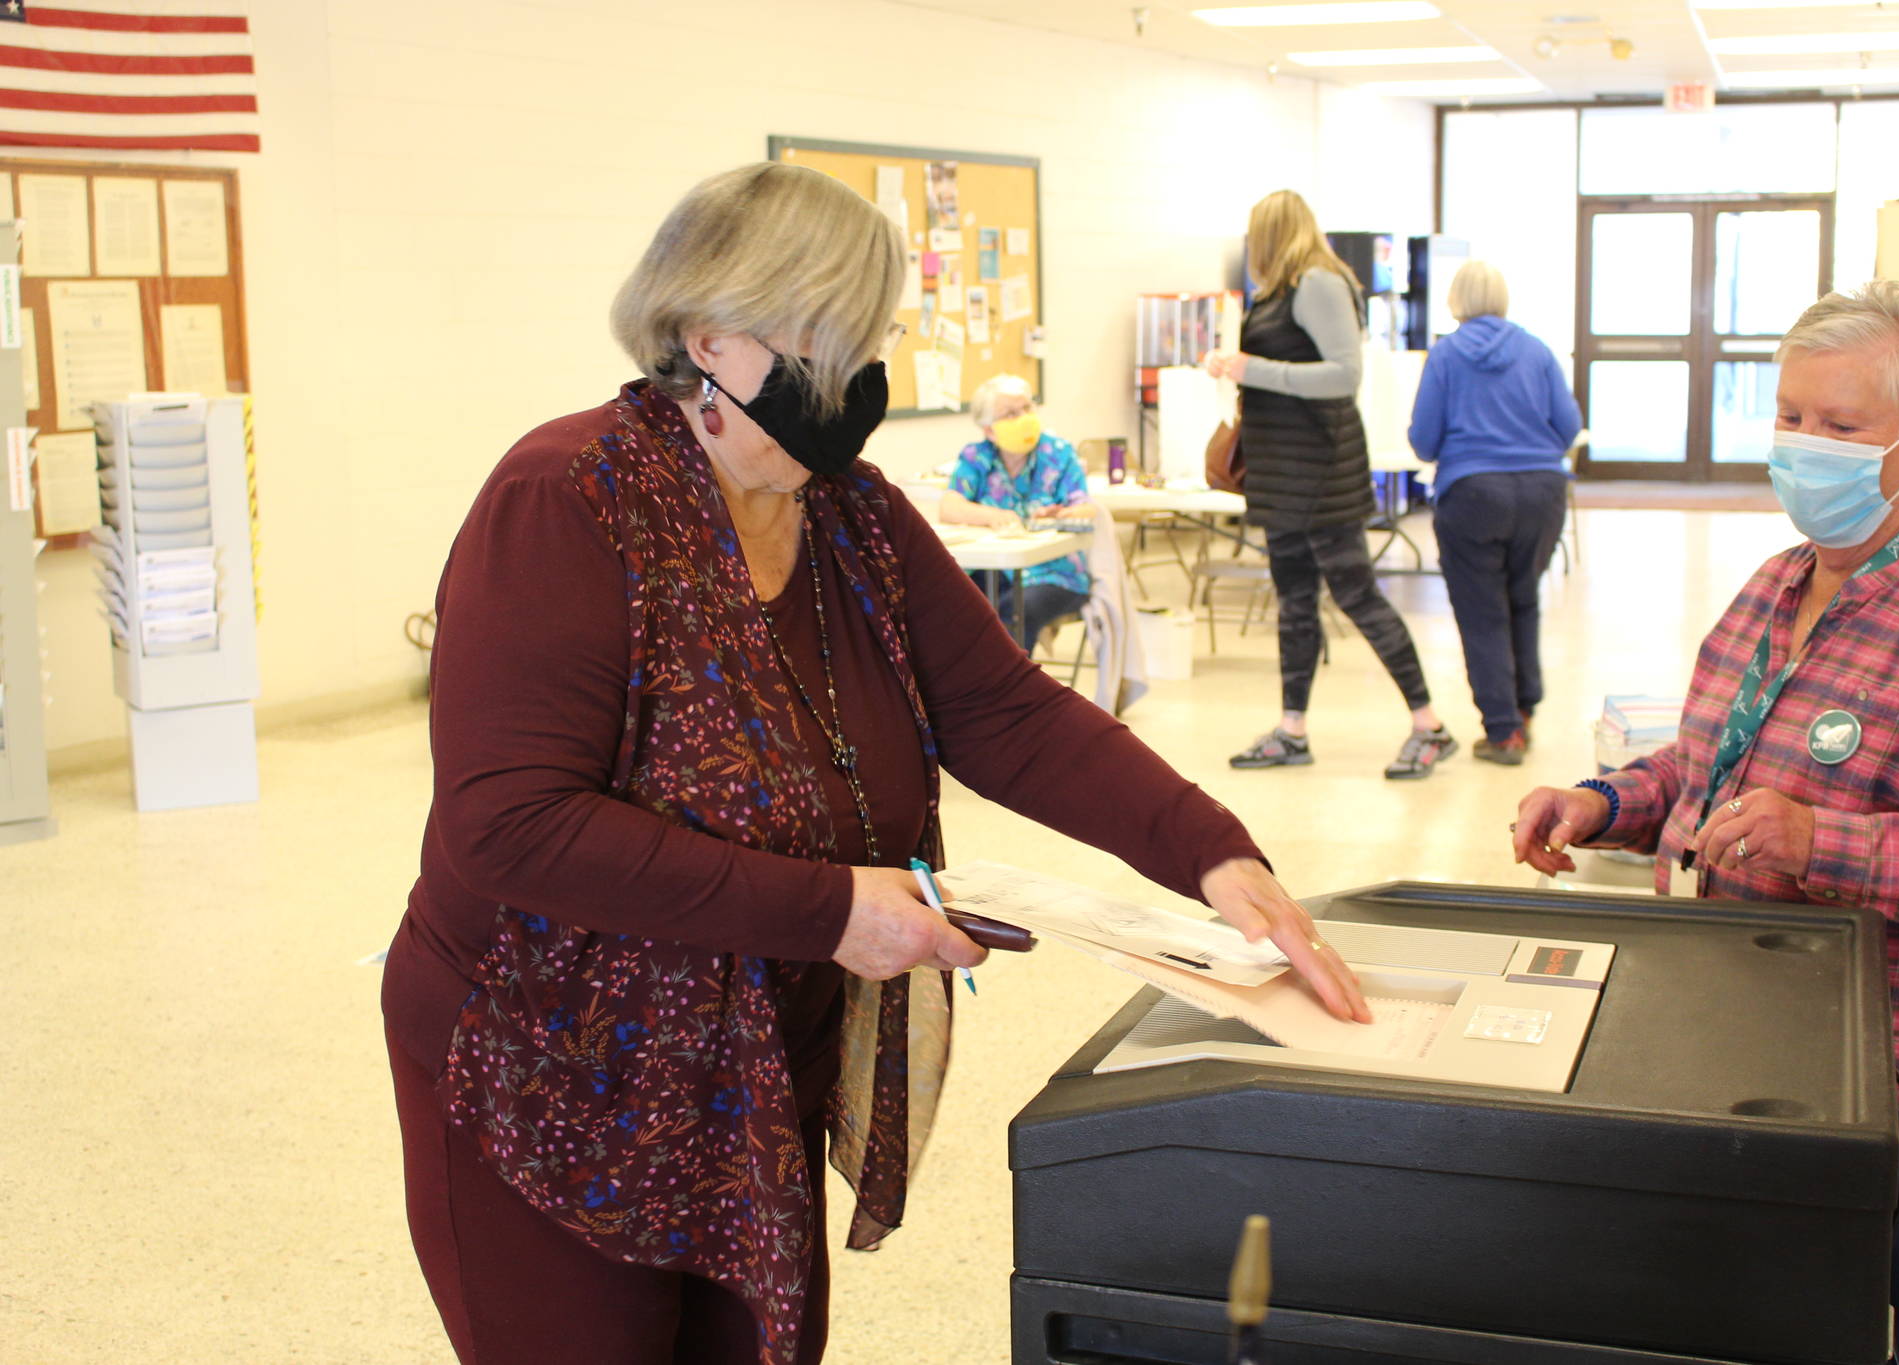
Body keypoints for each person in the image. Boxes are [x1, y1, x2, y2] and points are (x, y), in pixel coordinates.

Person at [381, 162, 1369, 1365]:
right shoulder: (568, 498)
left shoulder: (851, 514)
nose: (846, 390)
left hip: (747, 1061)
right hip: (553, 1064)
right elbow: (511, 823)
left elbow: (1007, 713)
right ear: (706, 341)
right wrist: (828, 906)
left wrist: (1209, 852)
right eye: (818, 352)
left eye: (864, 350)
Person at [1511, 282, 1899, 1365]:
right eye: (1789, 417)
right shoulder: (1776, 582)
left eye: (1839, 427)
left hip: (1886, 1073)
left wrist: (1822, 844)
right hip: (1736, 1030)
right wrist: (1600, 804)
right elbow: (1703, 764)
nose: (1802, 447)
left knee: (1891, 1316)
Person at [1202, 189, 1454, 779]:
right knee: (1294, 605)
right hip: (1282, 473)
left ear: (1268, 234)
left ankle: (1429, 726)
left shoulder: (1318, 282)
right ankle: (1292, 729)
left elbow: (1343, 376)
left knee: (1356, 595)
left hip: (1319, 473)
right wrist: (1235, 368)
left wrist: (1249, 367)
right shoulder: (1284, 289)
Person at [1407, 260, 1582, 766]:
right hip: (1542, 493)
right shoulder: (1536, 349)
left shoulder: (1445, 355)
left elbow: (1423, 440)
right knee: (1523, 597)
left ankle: (1502, 730)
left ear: (1455, 301)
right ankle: (1524, 710)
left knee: (1481, 612)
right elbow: (1569, 426)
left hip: (1473, 493)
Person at [939, 373, 1094, 653]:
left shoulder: (1058, 452)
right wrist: (990, 515)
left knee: (1014, 610)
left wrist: (1060, 515)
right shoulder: (977, 457)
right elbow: (949, 506)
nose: (1023, 418)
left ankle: (1008, 690)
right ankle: (966, 689)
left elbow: (1086, 508)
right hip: (995, 569)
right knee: (951, 602)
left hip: (1055, 573)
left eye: (1027, 408)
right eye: (1010, 414)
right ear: (989, 430)